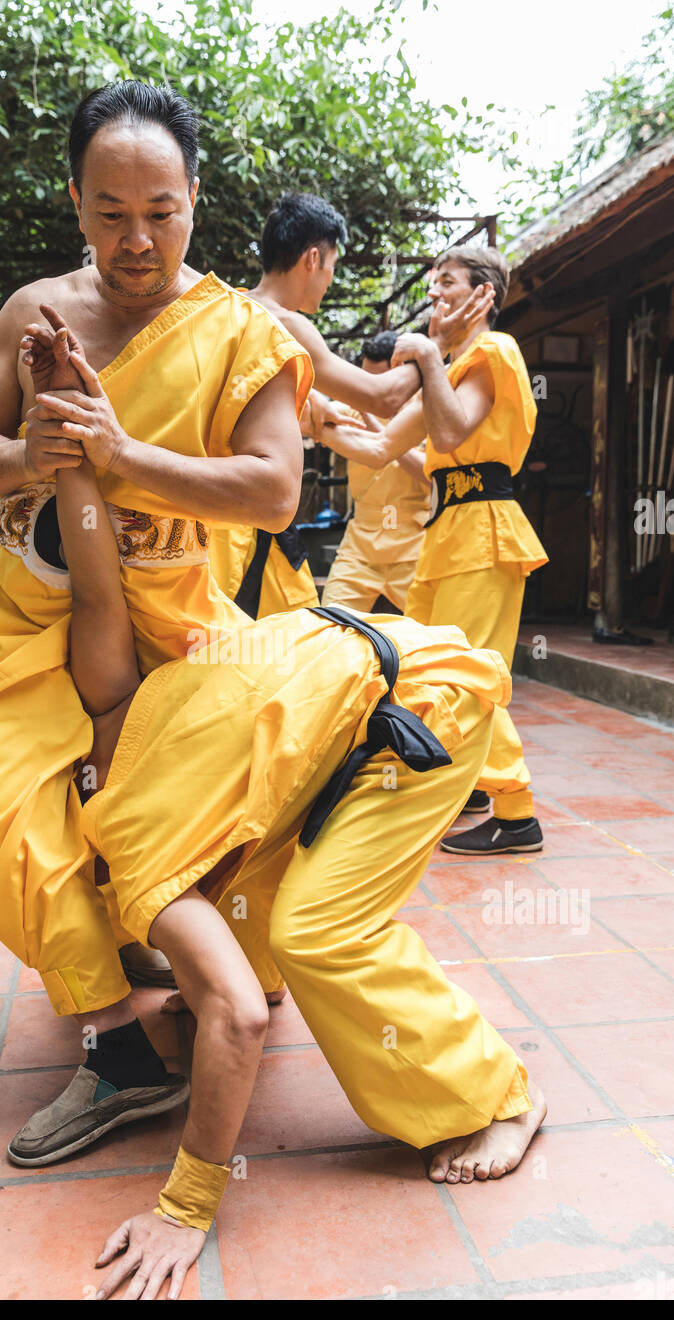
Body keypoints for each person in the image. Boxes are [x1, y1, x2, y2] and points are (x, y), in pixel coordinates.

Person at [44, 375, 546, 1300]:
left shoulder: (136, 866)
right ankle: (280, 970)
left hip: (418, 718)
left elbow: (231, 1015)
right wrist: (75, 430)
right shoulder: (114, 702)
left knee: (315, 930)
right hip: (381, 673)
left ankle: (499, 1096)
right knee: (260, 883)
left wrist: (187, 1204)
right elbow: (94, 584)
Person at [0, 80, 312, 1159]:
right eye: (111, 212)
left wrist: (118, 458)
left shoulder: (240, 329)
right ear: (75, 202)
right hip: (29, 619)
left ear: (195, 200)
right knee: (13, 821)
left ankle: (186, 974)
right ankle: (114, 1050)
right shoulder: (34, 312)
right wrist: (26, 457)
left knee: (161, 827)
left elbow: (272, 490)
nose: (137, 238)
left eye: (160, 210)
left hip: (175, 624)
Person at [321, 245, 548, 853]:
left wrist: (423, 349)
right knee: (428, 662)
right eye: (433, 284)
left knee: (470, 671)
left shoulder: (493, 350)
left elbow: (450, 432)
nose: (435, 294)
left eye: (448, 282)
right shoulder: (452, 364)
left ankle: (518, 812)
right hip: (448, 530)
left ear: (484, 296)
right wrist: (314, 414)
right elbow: (385, 449)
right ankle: (467, 778)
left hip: (483, 528)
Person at [208, 192, 492, 615]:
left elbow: (366, 442)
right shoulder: (285, 325)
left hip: (216, 511)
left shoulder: (222, 311)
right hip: (243, 520)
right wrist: (437, 345)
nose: (329, 280)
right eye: (332, 268)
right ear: (313, 259)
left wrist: (323, 410)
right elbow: (383, 395)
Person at [321, 329, 429, 613]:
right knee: (329, 624)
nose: (370, 390)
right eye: (365, 380)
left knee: (432, 637)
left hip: (414, 546)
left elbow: (430, 475)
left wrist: (378, 427)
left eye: (379, 382)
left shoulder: (427, 409)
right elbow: (312, 418)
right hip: (360, 545)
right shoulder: (350, 408)